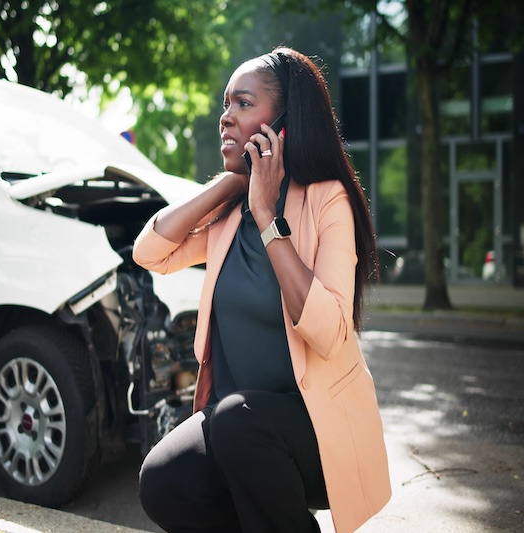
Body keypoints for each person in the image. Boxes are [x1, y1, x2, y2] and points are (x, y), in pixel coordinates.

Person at [132, 46, 391, 533]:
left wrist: (269, 219)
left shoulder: (327, 201)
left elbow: (330, 332)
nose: (225, 117)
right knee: (162, 482)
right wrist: (232, 188)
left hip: (313, 436)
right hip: (237, 430)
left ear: (284, 124)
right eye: (225, 104)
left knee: (236, 419)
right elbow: (150, 252)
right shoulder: (231, 213)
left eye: (243, 104)